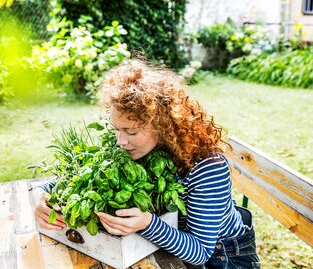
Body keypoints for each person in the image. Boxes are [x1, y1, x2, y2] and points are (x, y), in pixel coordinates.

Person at [32, 59, 261, 268]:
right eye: (116, 129)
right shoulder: (130, 148)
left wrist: (147, 223)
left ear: (162, 127)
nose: (120, 141)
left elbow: (200, 251)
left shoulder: (207, 166)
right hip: (166, 250)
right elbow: (82, 175)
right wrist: (42, 194)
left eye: (131, 131)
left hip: (224, 258)